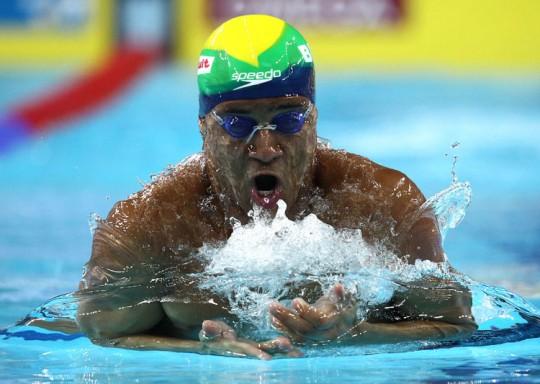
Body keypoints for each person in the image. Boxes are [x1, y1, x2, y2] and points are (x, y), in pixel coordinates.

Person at [75, 14, 476, 360]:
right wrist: (202, 351)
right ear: (204, 129)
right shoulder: (150, 225)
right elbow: (101, 332)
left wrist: (352, 334)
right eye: (237, 124)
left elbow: (456, 325)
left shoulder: (384, 204)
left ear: (314, 119)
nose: (265, 149)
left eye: (288, 120)